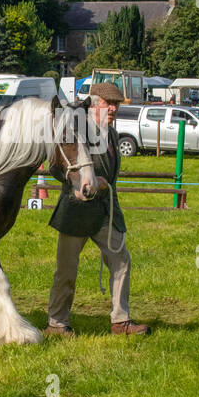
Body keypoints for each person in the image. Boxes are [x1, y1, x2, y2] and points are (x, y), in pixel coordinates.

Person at [46, 83, 150, 338]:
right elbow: (55, 166)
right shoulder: (76, 129)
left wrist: (105, 186)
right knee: (66, 269)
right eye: (108, 103)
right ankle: (57, 324)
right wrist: (80, 184)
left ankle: (120, 321)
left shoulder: (112, 134)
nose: (113, 109)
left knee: (121, 260)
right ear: (94, 105)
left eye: (116, 105)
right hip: (76, 210)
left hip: (106, 211)